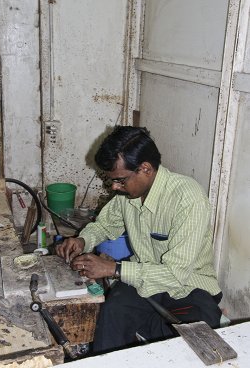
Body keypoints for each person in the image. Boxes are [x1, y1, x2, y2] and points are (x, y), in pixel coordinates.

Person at [56, 126, 222, 353]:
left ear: (145, 169)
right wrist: (83, 240)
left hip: (188, 287)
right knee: (113, 312)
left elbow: (175, 274)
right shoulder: (128, 194)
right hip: (144, 283)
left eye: (120, 180)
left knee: (189, 344)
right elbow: (105, 225)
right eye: (112, 181)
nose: (115, 187)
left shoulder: (188, 198)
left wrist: (113, 269)